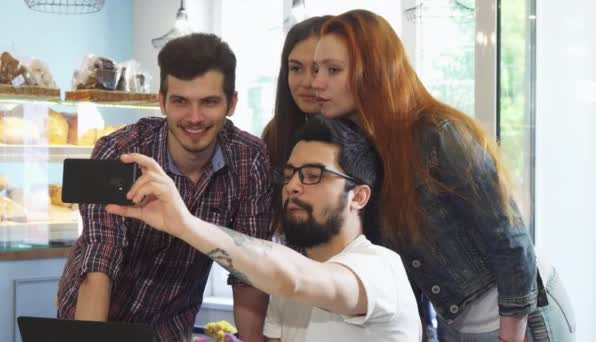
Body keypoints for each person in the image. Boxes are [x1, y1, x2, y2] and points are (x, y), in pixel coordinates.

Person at [310, 9, 575, 342]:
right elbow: (403, 270)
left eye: (333, 70)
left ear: (374, 72)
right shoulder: (366, 153)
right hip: (460, 324)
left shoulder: (438, 134)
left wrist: (511, 336)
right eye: (317, 68)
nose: (316, 81)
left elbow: (510, 238)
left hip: (521, 314)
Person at [105, 116, 423, 342]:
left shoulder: (381, 268)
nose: (294, 186)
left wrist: (186, 224)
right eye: (290, 174)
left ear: (359, 196)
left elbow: (295, 279)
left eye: (313, 174)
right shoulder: (287, 282)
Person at [56, 33, 273, 342]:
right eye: (180, 101)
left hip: (170, 326)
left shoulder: (249, 160)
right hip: (93, 320)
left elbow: (249, 271)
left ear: (232, 103)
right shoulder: (119, 151)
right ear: (161, 102)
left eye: (209, 102)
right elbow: (99, 264)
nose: (194, 118)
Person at [262, 15, 332, 231]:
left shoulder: (357, 137)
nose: (307, 82)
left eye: (318, 69)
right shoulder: (275, 133)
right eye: (296, 68)